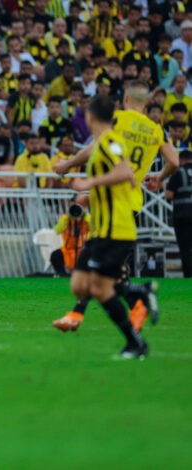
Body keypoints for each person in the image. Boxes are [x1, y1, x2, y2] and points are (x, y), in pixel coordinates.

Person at [53, 82, 179, 333]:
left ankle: (127, 302)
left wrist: (68, 164)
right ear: (146, 102)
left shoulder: (119, 119)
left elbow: (97, 146)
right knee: (105, 262)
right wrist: (159, 177)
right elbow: (174, 161)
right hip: (131, 201)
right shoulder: (157, 130)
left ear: (126, 99)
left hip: (112, 199)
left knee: (94, 259)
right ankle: (120, 306)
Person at [62, 95, 150, 359]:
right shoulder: (102, 143)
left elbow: (126, 173)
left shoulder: (111, 141)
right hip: (101, 229)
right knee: (79, 285)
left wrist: (88, 184)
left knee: (99, 288)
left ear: (90, 116)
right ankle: (137, 291)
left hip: (115, 228)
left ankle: (135, 343)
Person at [165, 149, 192, 277]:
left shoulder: (178, 173)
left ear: (180, 160)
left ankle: (189, 278)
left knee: (185, 249)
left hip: (182, 216)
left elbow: (169, 195)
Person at [50, 199, 90, 277]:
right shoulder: (64, 218)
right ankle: (62, 275)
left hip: (82, 250)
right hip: (67, 250)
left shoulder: (87, 218)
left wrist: (85, 215)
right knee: (55, 255)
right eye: (73, 206)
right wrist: (67, 217)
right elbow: (57, 230)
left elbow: (96, 229)